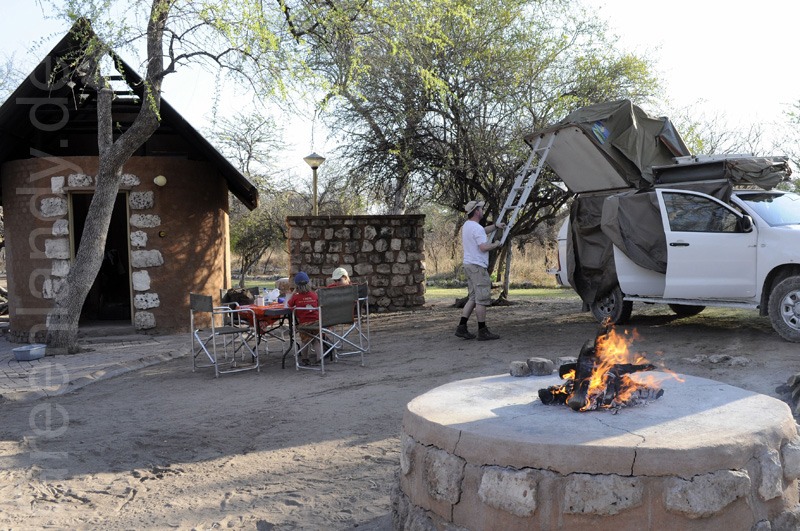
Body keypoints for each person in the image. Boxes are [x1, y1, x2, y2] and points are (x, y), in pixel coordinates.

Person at [455, 199, 506, 341]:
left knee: (472, 297)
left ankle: (462, 327)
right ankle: (482, 330)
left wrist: (495, 226)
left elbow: (482, 231)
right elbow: (483, 247)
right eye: (481, 209)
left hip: (469, 265)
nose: (482, 211)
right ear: (477, 211)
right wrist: (496, 244)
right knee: (482, 299)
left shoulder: (468, 225)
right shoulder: (475, 228)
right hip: (478, 267)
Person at [288, 271, 324, 364]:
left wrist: (293, 292)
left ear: (296, 286)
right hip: (316, 323)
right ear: (309, 283)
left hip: (304, 324)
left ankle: (304, 358)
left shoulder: (296, 297)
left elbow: (289, 304)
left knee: (305, 341)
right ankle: (319, 358)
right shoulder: (314, 295)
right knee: (316, 341)